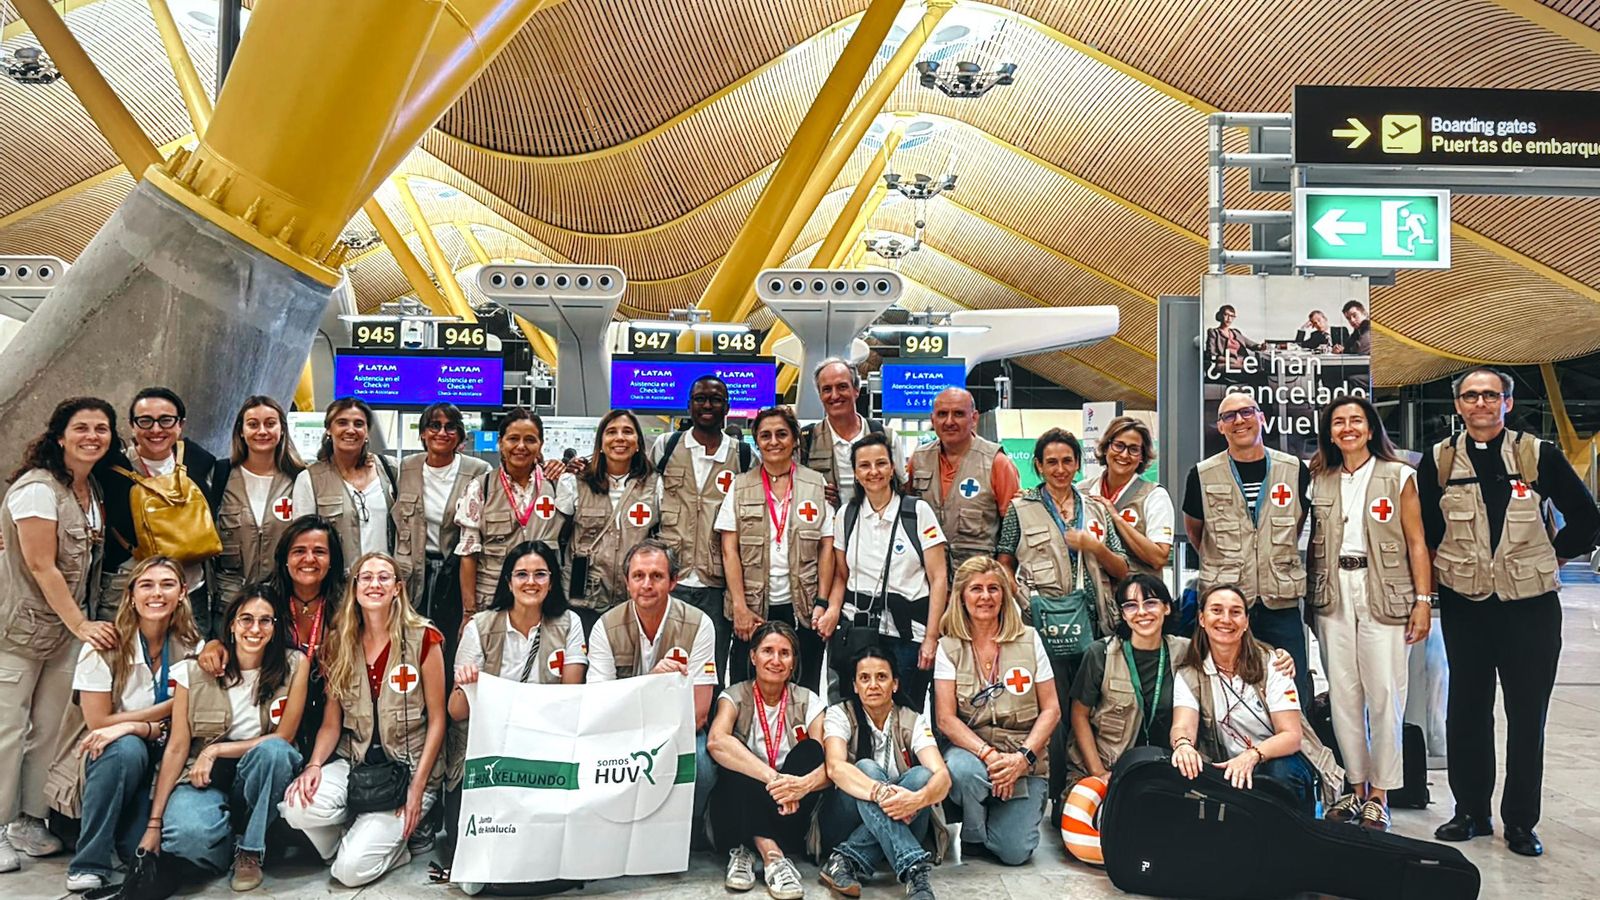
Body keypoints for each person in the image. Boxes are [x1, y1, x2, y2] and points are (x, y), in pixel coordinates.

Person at [1418, 367, 1599, 857]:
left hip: (1531, 608)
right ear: (1458, 405)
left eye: (1490, 395)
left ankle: (1520, 821)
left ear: (1508, 402)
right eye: (1471, 396)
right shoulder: (1439, 460)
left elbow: (1587, 516)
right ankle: (1471, 811)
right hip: (1467, 604)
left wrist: (1554, 554)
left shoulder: (1537, 455)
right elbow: (1429, 530)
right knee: (1467, 710)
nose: (1480, 403)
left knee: (1526, 715)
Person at [0, 397, 119, 875]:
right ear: (59, 435)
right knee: (7, 732)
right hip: (19, 631)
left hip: (66, 636)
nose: (93, 436)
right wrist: (81, 624)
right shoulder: (36, 489)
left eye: (102, 428)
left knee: (49, 731)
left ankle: (29, 820)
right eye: (82, 427)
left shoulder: (89, 490)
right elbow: (40, 564)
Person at [280, 552, 447, 887]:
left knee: (348, 872)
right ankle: (361, 834)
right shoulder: (339, 641)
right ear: (355, 588)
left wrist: (417, 789)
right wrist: (314, 765)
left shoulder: (424, 638)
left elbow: (439, 720)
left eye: (384, 577)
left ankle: (395, 844)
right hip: (356, 762)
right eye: (366, 577)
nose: (375, 584)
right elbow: (331, 721)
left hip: (408, 767)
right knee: (295, 806)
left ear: (398, 588)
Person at [1306, 397, 1433, 831]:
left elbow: (1417, 542)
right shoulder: (1319, 478)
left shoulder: (1399, 475)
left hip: (1385, 593)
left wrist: (1423, 600)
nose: (1347, 428)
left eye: (1355, 420)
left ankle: (1381, 792)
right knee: (1343, 694)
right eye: (1338, 421)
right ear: (1329, 430)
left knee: (1385, 695)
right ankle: (1354, 786)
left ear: (1371, 427)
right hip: (1334, 592)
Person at [44, 556, 203, 892]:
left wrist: (134, 724)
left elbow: (192, 717)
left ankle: (124, 835)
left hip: (162, 758)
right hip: (108, 758)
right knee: (123, 747)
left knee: (142, 855)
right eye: (146, 585)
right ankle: (89, 862)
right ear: (131, 595)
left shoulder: (192, 647)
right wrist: (162, 713)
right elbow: (99, 722)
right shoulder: (104, 646)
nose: (156, 594)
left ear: (183, 592)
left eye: (167, 584)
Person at [145, 587, 310, 890]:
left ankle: (250, 851)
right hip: (203, 777)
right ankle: (229, 845)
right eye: (246, 619)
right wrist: (153, 824)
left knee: (275, 751)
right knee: (184, 838)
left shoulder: (295, 665)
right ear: (231, 624)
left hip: (257, 776)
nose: (255, 629)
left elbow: (284, 737)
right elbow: (178, 747)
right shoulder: (193, 671)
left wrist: (217, 750)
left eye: (265, 621)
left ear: (275, 628)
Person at [1184, 391, 1314, 707]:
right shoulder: (1201, 475)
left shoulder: (1294, 469)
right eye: (1229, 416)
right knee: (1229, 689)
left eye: (1246, 412)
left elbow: (1296, 524)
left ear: (1261, 418)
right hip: (1228, 601)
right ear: (1221, 427)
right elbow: (1196, 532)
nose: (1239, 420)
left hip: (1278, 601)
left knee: (1292, 687)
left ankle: (1297, 752)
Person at [1169, 584, 1342, 816]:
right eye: (1217, 610)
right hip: (1227, 763)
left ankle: (1293, 842)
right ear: (1201, 618)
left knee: (1279, 774)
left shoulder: (1273, 663)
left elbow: (1291, 736)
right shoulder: (1190, 672)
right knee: (1185, 768)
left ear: (1246, 622)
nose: (1226, 619)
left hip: (1279, 759)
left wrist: (1252, 756)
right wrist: (1183, 745)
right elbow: (1183, 725)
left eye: (1235, 612)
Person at [586, 540, 720, 830]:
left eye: (657, 576)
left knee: (703, 766)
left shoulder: (700, 624)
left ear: (674, 581)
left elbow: (698, 713)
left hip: (678, 729)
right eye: (638, 576)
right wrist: (652, 683)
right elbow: (599, 706)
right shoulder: (604, 627)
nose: (647, 584)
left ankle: (681, 832)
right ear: (627, 582)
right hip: (621, 729)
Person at [933, 557, 1058, 866]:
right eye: (976, 589)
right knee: (966, 773)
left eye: (993, 588)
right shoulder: (948, 646)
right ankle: (973, 833)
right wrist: (989, 756)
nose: (985, 597)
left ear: (1004, 594)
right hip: (973, 754)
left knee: (1015, 853)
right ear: (962, 596)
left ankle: (998, 819)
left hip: (1023, 757)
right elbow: (945, 718)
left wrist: (1021, 759)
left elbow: (1052, 710)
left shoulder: (1029, 639)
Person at [196, 517, 346, 758]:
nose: (309, 559)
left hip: (333, 716)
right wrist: (213, 645)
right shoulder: (265, 598)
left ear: (332, 561)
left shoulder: (346, 604)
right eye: (299, 551)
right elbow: (237, 636)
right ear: (285, 559)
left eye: (319, 551)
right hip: (274, 719)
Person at [707, 621, 828, 900]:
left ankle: (753, 849)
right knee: (734, 757)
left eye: (784, 653)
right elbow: (716, 741)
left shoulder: (810, 701)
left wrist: (800, 786)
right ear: (753, 656)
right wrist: (773, 778)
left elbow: (829, 767)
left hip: (789, 811)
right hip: (740, 807)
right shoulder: (734, 696)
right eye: (767, 651)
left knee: (810, 750)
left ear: (794, 661)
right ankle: (772, 856)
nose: (776, 660)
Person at [816, 647, 947, 900]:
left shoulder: (912, 719)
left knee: (922, 777)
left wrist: (915, 800)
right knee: (866, 768)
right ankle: (913, 867)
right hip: (845, 818)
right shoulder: (839, 714)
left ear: (895, 683)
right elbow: (835, 767)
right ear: (854, 685)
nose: (873, 685)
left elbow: (942, 776)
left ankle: (845, 860)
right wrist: (878, 792)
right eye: (864, 678)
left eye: (882, 677)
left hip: (906, 815)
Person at [829, 434, 949, 708]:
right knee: (856, 709)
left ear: (893, 468)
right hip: (859, 630)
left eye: (881, 463)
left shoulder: (917, 511)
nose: (874, 472)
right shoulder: (847, 515)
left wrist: (931, 638)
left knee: (906, 710)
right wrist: (831, 612)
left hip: (908, 635)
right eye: (865, 466)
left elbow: (939, 578)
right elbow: (841, 575)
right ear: (856, 473)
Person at [718, 406, 834, 690]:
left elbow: (827, 546)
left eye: (781, 434)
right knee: (746, 687)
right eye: (765, 435)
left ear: (795, 439)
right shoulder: (740, 486)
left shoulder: (815, 483)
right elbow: (728, 550)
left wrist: (821, 602)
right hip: (755, 608)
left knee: (803, 688)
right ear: (756, 441)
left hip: (803, 608)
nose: (773, 441)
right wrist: (739, 607)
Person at [96, 386, 223, 632]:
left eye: (166, 420)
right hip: (129, 591)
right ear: (132, 426)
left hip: (190, 590)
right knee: (127, 664)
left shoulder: (199, 460)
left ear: (180, 424)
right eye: (145, 421)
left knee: (189, 665)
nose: (156, 430)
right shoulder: (110, 470)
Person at [653, 375, 752, 689]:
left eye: (715, 399)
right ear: (689, 405)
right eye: (700, 399)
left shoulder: (744, 456)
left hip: (716, 584)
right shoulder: (666, 447)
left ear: (728, 407)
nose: (707, 405)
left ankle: (706, 732)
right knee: (665, 668)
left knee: (710, 670)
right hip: (672, 580)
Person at [1066, 574, 1187, 784]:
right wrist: (1099, 773)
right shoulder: (1100, 653)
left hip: (1167, 770)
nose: (1141, 612)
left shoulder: (1185, 651)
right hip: (1109, 765)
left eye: (1150, 603)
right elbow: (1079, 715)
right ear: (1122, 614)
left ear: (1166, 608)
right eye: (1131, 605)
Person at [454, 409, 576, 612]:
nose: (521, 446)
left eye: (530, 439)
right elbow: (468, 555)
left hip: (542, 599)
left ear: (541, 445)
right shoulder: (480, 488)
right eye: (513, 439)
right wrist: (469, 611)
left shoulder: (558, 485)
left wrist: (575, 467)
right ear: (500, 443)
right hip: (492, 599)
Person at [390, 402, 490, 647]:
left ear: (460, 435)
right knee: (411, 642)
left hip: (456, 575)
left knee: (451, 642)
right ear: (423, 433)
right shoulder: (405, 468)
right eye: (434, 426)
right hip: (413, 573)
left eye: (450, 427)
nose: (442, 433)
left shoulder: (479, 471)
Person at [907, 388, 1019, 570]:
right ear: (932, 419)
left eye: (958, 414)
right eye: (942, 414)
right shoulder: (918, 460)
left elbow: (1013, 525)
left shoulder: (996, 462)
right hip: (927, 577)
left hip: (977, 580)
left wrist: (1004, 568)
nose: (949, 421)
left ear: (974, 418)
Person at [568, 409, 661, 630]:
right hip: (586, 598)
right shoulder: (575, 483)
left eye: (627, 432)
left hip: (637, 598)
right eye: (611, 432)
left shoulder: (655, 485)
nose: (620, 438)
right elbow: (557, 538)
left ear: (638, 442)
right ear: (600, 442)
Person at [212, 396, 304, 611]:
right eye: (253, 424)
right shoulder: (220, 476)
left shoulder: (301, 479)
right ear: (241, 432)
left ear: (282, 430)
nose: (262, 431)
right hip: (230, 603)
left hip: (284, 601)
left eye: (270, 424)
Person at [290, 398, 396, 571]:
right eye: (342, 423)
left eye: (359, 424)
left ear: (367, 431)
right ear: (329, 430)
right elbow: (303, 540)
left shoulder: (390, 470)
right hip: (336, 588)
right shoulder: (309, 479)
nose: (351, 430)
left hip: (381, 586)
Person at [1079, 417, 1173, 578]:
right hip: (1092, 596)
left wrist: (1116, 518)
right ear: (1106, 447)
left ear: (1142, 456)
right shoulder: (1082, 491)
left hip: (1135, 596)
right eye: (1118, 445)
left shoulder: (1154, 495)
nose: (1124, 454)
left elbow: (1158, 558)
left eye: (1134, 449)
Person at [800, 358, 890, 507]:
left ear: (856, 390)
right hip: (828, 527)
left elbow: (903, 489)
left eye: (842, 387)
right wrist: (812, 492)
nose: (835, 396)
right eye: (827, 389)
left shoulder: (886, 437)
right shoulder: (806, 440)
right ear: (820, 395)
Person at [1204, 304, 1263, 372]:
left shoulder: (1235, 332)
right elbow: (1211, 355)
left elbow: (1252, 345)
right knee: (1253, 371)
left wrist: (1261, 346)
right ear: (1220, 315)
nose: (1229, 319)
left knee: (1261, 371)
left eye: (1232, 316)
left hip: (1242, 363)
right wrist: (1230, 360)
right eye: (1226, 315)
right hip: (1224, 364)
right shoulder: (1214, 332)